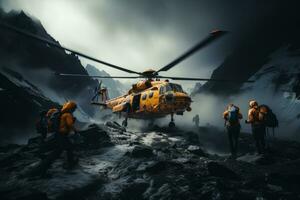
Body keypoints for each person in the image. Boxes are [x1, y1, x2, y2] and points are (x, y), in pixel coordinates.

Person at [35, 101, 78, 176]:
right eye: (74, 108)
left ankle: (42, 168)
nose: (74, 110)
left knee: (65, 149)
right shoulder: (67, 114)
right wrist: (76, 132)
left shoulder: (59, 114)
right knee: (61, 151)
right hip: (62, 135)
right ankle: (41, 169)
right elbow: (70, 125)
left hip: (58, 134)